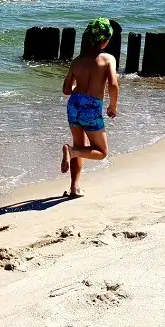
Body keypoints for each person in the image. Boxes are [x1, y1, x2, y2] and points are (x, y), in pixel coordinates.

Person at [60, 17, 119, 197]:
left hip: (74, 104)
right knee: (101, 152)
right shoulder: (107, 58)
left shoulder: (77, 61)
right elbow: (113, 84)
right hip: (91, 107)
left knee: (81, 145)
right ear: (105, 40)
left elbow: (66, 90)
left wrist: (80, 87)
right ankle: (70, 151)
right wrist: (112, 106)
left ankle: (74, 188)